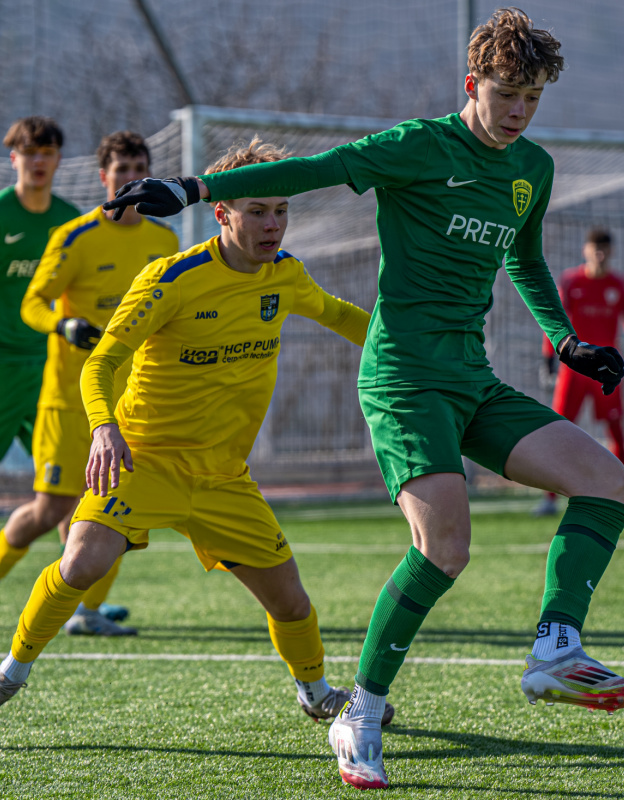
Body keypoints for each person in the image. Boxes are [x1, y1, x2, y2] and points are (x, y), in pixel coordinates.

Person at [100, 8, 624, 789]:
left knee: (609, 481)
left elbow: (524, 258)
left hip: (471, 376)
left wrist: (563, 340)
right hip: (401, 377)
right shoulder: (418, 146)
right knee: (445, 549)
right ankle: (358, 714)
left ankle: (556, 649)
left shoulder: (533, 166)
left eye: (532, 97)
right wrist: (193, 187)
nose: (520, 111)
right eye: (506, 94)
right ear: (473, 85)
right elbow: (310, 172)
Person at [0, 136, 394, 728]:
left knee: (291, 600)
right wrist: (105, 430)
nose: (273, 225)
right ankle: (10, 673)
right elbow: (102, 363)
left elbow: (337, 313)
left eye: (281, 210)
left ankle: (315, 692)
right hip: (144, 462)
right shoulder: (172, 278)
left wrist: (405, 355)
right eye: (257, 211)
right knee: (81, 560)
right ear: (223, 213)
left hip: (223, 479)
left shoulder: (286, 276)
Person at [0, 131, 180, 637]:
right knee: (51, 509)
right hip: (69, 399)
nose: (130, 178)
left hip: (131, 403)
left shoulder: (164, 242)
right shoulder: (76, 236)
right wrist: (63, 325)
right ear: (104, 178)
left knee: (119, 506)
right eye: (121, 170)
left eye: (139, 169)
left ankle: (88, 612)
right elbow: (32, 303)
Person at [535, 227, 624, 516]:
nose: (600, 254)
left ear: (611, 251)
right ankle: (549, 498)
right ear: (585, 250)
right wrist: (548, 358)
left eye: (605, 249)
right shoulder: (571, 281)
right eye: (595, 248)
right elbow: (555, 321)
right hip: (574, 373)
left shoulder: (621, 285)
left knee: (616, 431)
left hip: (606, 371)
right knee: (558, 430)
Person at [0, 117, 79, 464]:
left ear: (59, 158)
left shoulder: (70, 220)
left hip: (50, 363)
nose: (38, 162)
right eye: (29, 152)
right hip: (3, 363)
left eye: (47, 152)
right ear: (13, 158)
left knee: (68, 472)